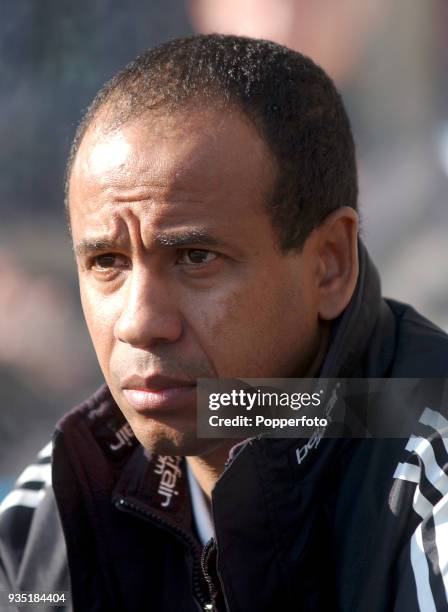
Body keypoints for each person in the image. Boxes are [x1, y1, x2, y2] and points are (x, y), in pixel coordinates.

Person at [0, 34, 447, 612]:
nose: (140, 323)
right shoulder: (55, 512)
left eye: (196, 258)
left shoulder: (426, 478)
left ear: (331, 264)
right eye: (106, 263)